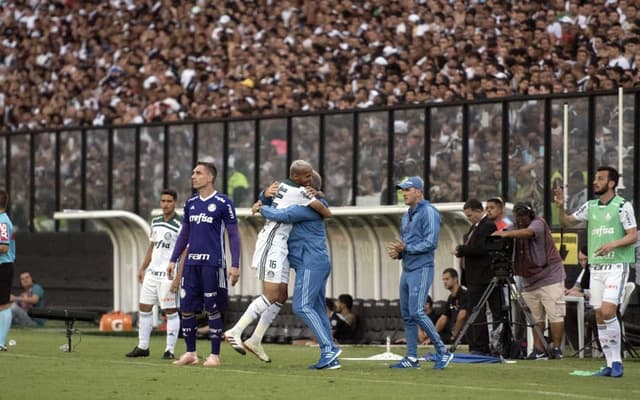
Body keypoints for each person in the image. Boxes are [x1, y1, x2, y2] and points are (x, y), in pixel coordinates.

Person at [224, 160, 330, 363]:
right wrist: (316, 195)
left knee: (281, 295)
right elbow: (326, 211)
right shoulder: (299, 192)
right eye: (306, 176)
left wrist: (263, 197)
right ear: (297, 177)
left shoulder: (282, 186)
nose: (308, 180)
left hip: (281, 245)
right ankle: (235, 331)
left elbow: (268, 197)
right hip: (272, 243)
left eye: (310, 177)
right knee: (272, 293)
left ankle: (255, 339)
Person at [555, 166, 637, 377]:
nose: (595, 182)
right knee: (599, 315)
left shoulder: (622, 206)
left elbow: (633, 235)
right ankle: (609, 364)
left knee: (609, 311)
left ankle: (617, 361)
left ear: (611, 183)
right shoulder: (590, 206)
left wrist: (612, 245)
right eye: (595, 178)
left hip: (616, 267)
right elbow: (565, 223)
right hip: (597, 269)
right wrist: (560, 208)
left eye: (600, 179)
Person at [257, 170, 341, 369]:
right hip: (315, 262)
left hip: (311, 262)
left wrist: (261, 208)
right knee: (318, 309)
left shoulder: (305, 207)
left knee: (301, 306)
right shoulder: (313, 204)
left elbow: (284, 215)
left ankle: (329, 349)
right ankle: (330, 357)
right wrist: (264, 196)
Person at [166, 161, 241, 367]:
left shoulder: (223, 202)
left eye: (198, 173)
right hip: (190, 265)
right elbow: (185, 234)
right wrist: (173, 259)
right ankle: (190, 353)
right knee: (187, 309)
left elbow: (233, 235)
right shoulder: (190, 203)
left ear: (210, 177)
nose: (193, 176)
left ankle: (214, 355)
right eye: (192, 173)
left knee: (213, 309)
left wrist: (235, 264)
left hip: (213, 264)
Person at [386, 176, 453, 369]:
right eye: (403, 190)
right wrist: (399, 253)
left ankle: (443, 351)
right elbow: (407, 245)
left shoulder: (429, 212)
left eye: (407, 189)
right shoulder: (406, 215)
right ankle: (412, 358)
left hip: (422, 268)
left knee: (416, 311)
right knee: (407, 315)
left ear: (418, 191)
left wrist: (405, 248)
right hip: (407, 269)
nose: (404, 193)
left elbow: (431, 243)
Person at [492, 202, 566, 360]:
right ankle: (538, 349)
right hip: (529, 280)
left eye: (523, 216)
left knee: (555, 314)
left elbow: (529, 233)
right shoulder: (515, 226)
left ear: (530, 214)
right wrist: (500, 234)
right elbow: (508, 231)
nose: (520, 219)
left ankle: (557, 348)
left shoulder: (539, 223)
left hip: (549, 276)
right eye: (518, 216)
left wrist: (507, 234)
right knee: (536, 317)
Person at [126, 189, 182, 360]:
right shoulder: (155, 221)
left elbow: (184, 251)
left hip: (168, 274)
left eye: (169, 201)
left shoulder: (181, 224)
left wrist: (178, 278)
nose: (165, 204)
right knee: (144, 307)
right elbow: (152, 247)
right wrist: (142, 268)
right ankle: (143, 346)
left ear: (175, 203)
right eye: (163, 201)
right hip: (152, 273)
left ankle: (169, 350)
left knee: (170, 310)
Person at [453, 198, 500, 355]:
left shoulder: (487, 226)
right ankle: (476, 345)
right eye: (467, 216)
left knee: (485, 312)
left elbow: (482, 249)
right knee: (474, 312)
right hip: (473, 278)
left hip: (484, 277)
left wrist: (462, 249)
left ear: (480, 211)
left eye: (471, 215)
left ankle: (485, 346)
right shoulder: (474, 228)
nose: (469, 218)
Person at [564, 246, 597, 353]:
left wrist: (580, 294)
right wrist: (567, 291)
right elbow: (575, 289)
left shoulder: (597, 269)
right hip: (583, 306)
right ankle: (580, 347)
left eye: (585, 259)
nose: (583, 262)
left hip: (595, 305)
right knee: (565, 311)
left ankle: (591, 347)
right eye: (580, 260)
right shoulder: (584, 271)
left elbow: (592, 293)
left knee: (592, 315)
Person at [434, 268, 469, 344]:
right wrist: (432, 335)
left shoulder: (464, 294)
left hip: (465, 334)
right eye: (443, 279)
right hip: (453, 334)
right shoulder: (450, 298)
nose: (444, 282)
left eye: (447, 279)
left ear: (455, 279)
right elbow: (443, 319)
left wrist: (454, 335)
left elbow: (462, 316)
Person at [0, 190, 15, 351]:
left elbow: (3, 247)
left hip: (3, 266)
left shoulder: (2, 222)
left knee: (3, 304)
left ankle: (1, 343)